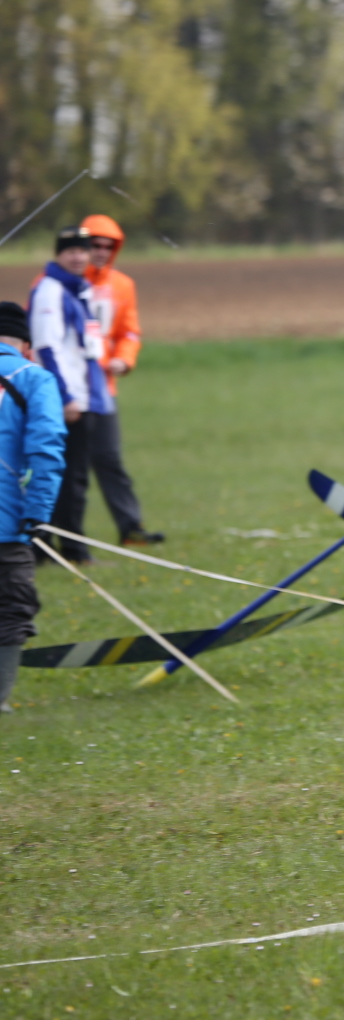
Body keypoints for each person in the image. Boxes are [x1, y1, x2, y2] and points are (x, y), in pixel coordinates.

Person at [75, 215, 162, 545]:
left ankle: (130, 528)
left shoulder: (122, 286)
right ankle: (62, 538)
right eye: (94, 245)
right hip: (67, 389)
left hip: (103, 388)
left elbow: (129, 332)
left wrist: (124, 360)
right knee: (68, 468)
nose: (101, 252)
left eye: (108, 247)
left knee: (109, 459)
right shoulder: (60, 284)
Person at [0, 300, 67, 713]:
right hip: (8, 525)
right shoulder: (34, 378)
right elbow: (46, 450)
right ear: (26, 345)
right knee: (11, 607)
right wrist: (38, 513)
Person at [29, 227, 110, 563]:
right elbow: (46, 347)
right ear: (58, 254)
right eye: (70, 251)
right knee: (65, 476)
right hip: (68, 399)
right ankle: (67, 549)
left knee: (73, 476)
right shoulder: (50, 291)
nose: (78, 257)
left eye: (82, 250)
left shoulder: (79, 289)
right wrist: (64, 397)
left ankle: (53, 546)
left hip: (85, 393)